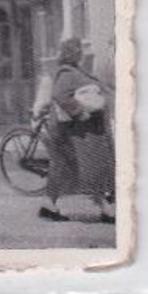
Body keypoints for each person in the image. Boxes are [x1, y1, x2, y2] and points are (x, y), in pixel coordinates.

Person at [39, 38, 115, 224]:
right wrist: (79, 112)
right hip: (77, 133)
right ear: (73, 53)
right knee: (95, 168)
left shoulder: (75, 71)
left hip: (82, 132)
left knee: (66, 168)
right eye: (79, 50)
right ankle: (106, 209)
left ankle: (49, 205)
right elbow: (60, 95)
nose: (82, 53)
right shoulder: (67, 73)